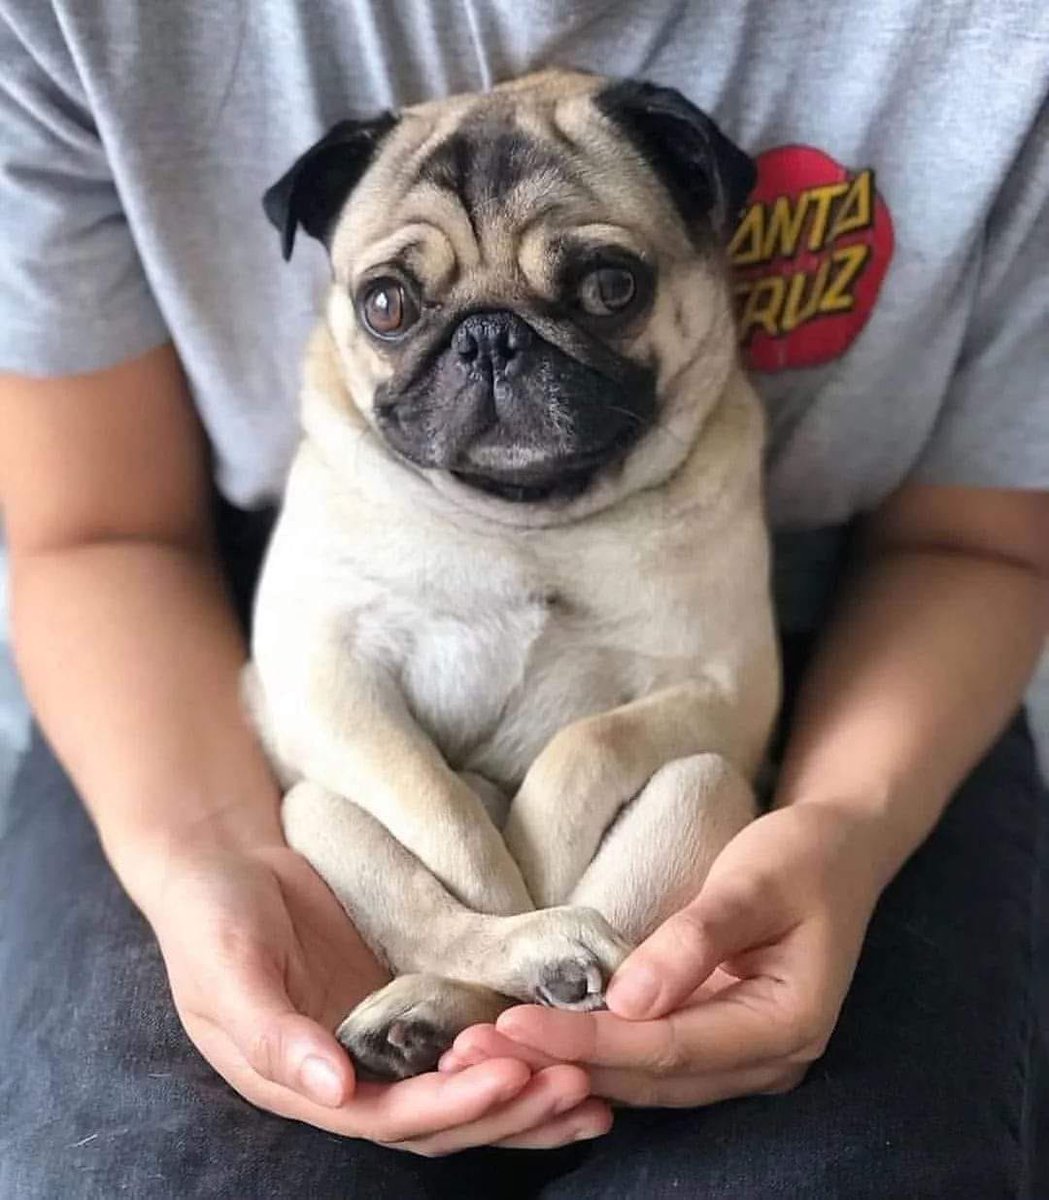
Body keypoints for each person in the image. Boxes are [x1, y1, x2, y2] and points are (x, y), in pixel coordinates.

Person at [0, 2, 1046, 1196]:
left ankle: (476, 986)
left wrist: (842, 831)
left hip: (845, 655)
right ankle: (482, 967)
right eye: (402, 307)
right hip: (201, 665)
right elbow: (98, 533)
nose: (489, 352)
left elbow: (970, 549)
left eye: (596, 286)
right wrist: (201, 850)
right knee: (143, 1170)